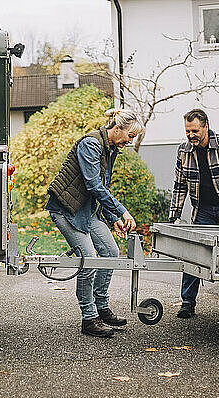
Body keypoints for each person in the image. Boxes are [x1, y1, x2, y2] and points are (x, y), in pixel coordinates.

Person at [46, 108, 144, 338]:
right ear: (117, 128)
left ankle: (102, 307)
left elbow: (100, 190)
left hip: (87, 210)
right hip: (67, 209)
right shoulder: (90, 144)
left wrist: (113, 219)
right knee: (89, 260)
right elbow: (93, 185)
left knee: (110, 252)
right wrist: (122, 212)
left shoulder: (109, 149)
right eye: (129, 136)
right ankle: (89, 318)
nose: (129, 142)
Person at [169, 108, 219, 318]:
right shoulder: (184, 151)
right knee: (194, 255)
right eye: (187, 131)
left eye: (195, 130)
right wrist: (174, 214)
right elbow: (180, 185)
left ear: (206, 126)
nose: (190, 135)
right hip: (203, 209)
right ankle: (187, 302)